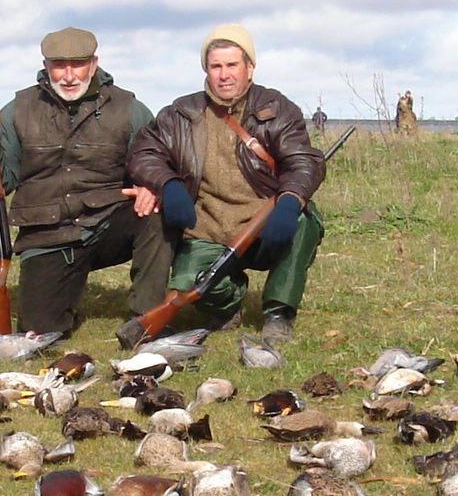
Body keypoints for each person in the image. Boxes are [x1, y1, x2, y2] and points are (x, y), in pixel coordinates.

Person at [125, 23, 325, 341]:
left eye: (232, 65)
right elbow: (144, 153)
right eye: (216, 66)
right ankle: (227, 306)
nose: (224, 74)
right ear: (206, 69)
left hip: (264, 225)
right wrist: (168, 184)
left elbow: (303, 161)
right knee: (190, 285)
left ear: (250, 68)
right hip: (206, 228)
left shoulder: (278, 110)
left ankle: (278, 313)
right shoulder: (180, 113)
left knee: (304, 220)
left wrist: (289, 201)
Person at [0, 27, 168, 338]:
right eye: (59, 65)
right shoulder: (17, 110)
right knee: (39, 331)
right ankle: (63, 302)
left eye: (78, 64)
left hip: (108, 224)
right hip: (49, 233)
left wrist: (150, 185)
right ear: (46, 67)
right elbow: (2, 183)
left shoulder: (129, 109)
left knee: (156, 211)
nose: (69, 75)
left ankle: (146, 320)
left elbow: (154, 160)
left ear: (94, 64)